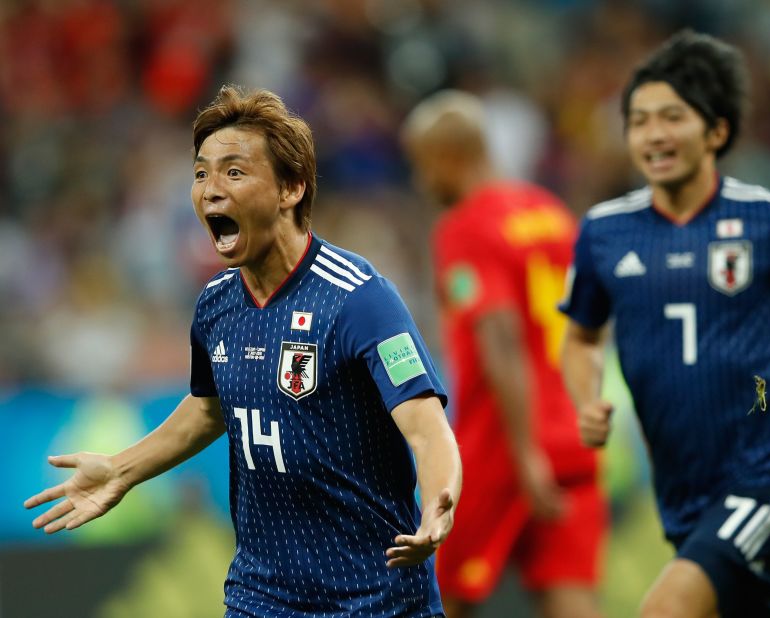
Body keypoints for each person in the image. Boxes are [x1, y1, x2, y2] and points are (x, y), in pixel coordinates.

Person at [25, 84, 462, 618]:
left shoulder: (359, 299)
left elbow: (425, 424)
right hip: (263, 597)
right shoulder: (215, 305)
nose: (209, 190)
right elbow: (210, 407)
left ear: (291, 188)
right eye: (201, 173)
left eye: (233, 172)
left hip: (375, 597)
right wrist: (122, 469)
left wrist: (440, 505)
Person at [559, 30, 770, 618]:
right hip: (683, 493)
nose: (653, 134)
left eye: (672, 117)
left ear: (716, 131)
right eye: (638, 121)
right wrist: (586, 397)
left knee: (664, 610)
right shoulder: (604, 233)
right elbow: (581, 337)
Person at [402, 90, 606, 618]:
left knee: (429, 593)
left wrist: (523, 452)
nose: (423, 183)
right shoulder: (551, 213)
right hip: (570, 437)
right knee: (571, 599)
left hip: (500, 445)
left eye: (423, 167)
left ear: (448, 158)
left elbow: (501, 338)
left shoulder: (466, 226)